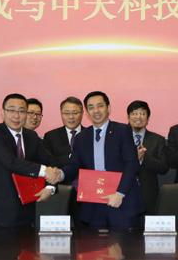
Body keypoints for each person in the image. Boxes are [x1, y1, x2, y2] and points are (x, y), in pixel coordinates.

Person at [59, 91, 144, 230]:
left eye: (100, 106)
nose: (96, 111)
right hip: (93, 203)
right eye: (91, 107)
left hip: (120, 200)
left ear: (108, 108)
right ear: (87, 112)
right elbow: (74, 165)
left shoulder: (123, 131)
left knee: (123, 242)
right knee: (94, 242)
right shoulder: (81, 137)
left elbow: (131, 163)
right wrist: (61, 174)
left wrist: (120, 193)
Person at [0, 93, 58, 230]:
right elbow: (11, 162)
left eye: (21, 111)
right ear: (2, 113)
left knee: (27, 244)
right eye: (11, 110)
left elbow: (51, 162)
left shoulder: (31, 136)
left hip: (26, 210)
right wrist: (44, 171)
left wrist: (50, 187)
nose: (16, 116)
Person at [127, 100, 168, 215]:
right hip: (124, 194)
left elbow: (164, 167)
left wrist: (144, 158)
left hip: (148, 196)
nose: (138, 117)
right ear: (128, 117)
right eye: (134, 113)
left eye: (142, 113)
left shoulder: (158, 140)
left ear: (148, 118)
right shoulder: (119, 138)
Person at [43, 96, 84, 168]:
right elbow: (48, 161)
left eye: (75, 113)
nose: (71, 117)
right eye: (66, 113)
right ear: (61, 114)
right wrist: (70, 157)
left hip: (85, 175)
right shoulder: (50, 136)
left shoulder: (90, 134)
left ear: (82, 113)